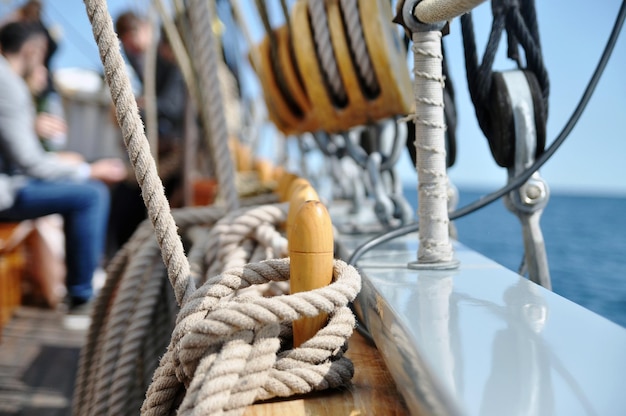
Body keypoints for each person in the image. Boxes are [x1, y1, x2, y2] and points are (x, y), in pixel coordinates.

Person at [0, 21, 127, 311]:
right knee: (90, 194)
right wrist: (89, 171)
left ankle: (79, 288)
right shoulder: (8, 83)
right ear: (34, 50)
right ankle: (82, 296)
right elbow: (31, 163)